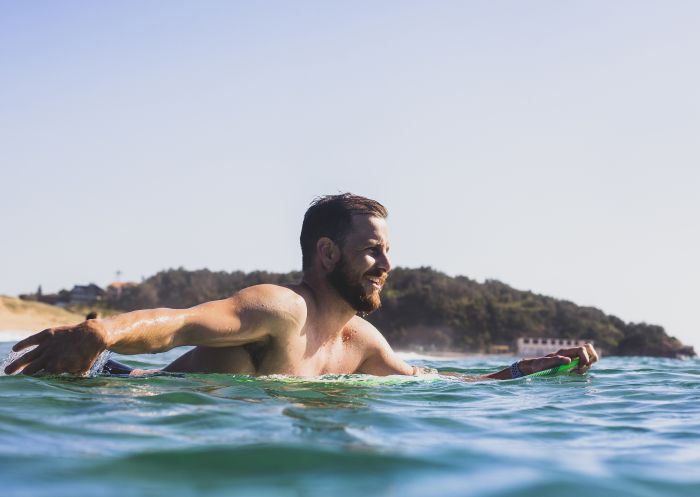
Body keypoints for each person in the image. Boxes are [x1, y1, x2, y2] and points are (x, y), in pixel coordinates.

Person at [4, 193, 597, 379]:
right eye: (372, 250)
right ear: (327, 254)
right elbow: (180, 321)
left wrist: (541, 367)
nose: (385, 264)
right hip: (126, 390)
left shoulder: (360, 341)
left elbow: (445, 386)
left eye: (388, 251)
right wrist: (103, 331)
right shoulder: (281, 309)